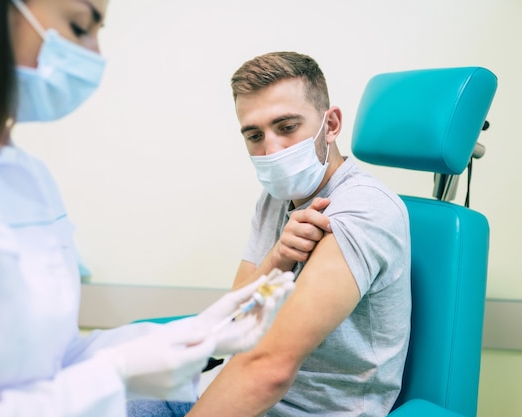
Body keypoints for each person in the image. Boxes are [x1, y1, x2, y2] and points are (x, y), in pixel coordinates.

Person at [0, 2, 295, 416]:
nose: (93, 56)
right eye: (79, 26)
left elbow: (57, 359)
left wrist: (199, 332)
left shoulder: (27, 176)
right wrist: (116, 374)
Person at [130, 52, 412, 417]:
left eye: (287, 126)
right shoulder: (276, 198)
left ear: (331, 125)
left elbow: (271, 369)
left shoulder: (361, 210)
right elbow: (231, 325)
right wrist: (278, 258)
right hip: (235, 390)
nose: (271, 149)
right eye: (254, 135)